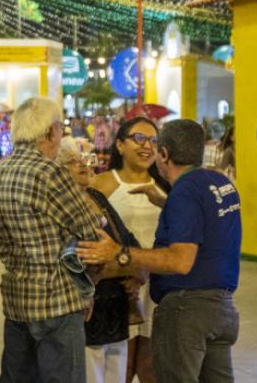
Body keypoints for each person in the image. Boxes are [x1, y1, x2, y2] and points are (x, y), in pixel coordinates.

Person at [77, 119, 242, 383]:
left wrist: (122, 254)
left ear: (163, 154)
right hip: (222, 310)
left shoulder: (184, 192)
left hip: (187, 311)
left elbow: (180, 260)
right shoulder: (220, 185)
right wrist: (167, 203)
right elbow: (207, 225)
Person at [0, 97, 101, 383]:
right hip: (57, 300)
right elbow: (89, 229)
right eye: (61, 128)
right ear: (50, 132)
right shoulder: (50, 172)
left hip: (17, 299)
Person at [60, 139, 140, 383]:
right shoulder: (61, 203)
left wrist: (133, 266)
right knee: (90, 372)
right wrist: (119, 263)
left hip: (116, 303)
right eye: (74, 161)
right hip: (87, 306)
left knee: (116, 371)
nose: (84, 164)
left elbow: (127, 238)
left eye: (84, 158)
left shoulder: (96, 196)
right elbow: (73, 258)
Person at [90, 117, 163, 383]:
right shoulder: (101, 184)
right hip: (119, 285)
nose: (148, 146)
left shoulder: (165, 186)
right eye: (139, 139)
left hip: (156, 284)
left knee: (150, 364)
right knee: (121, 364)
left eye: (154, 141)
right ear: (120, 145)